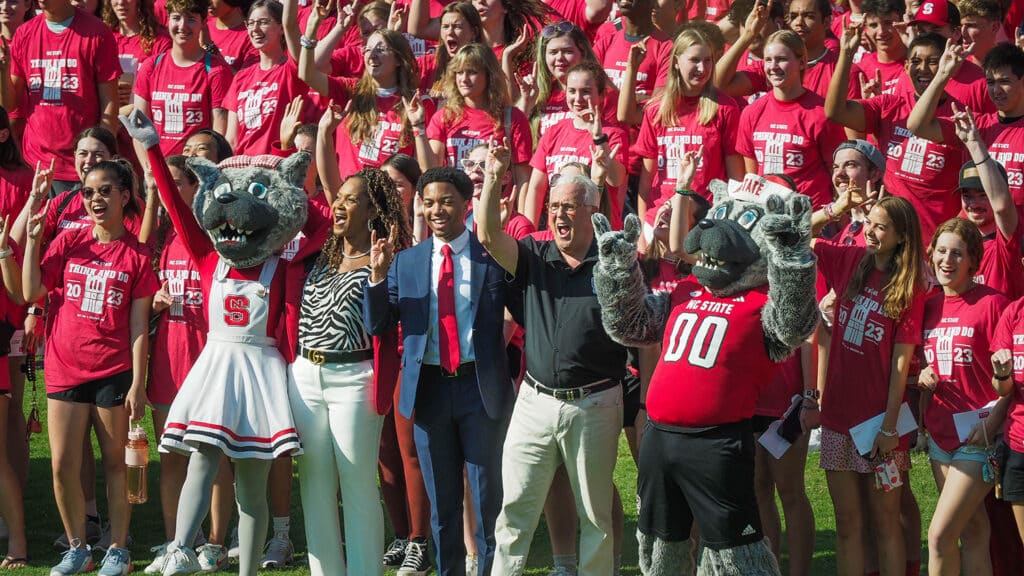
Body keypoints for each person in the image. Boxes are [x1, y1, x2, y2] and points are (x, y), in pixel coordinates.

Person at [1, 158, 157, 576]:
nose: (95, 199)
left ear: (126, 196)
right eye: (88, 192)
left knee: (115, 464)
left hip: (114, 372)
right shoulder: (69, 243)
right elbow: (31, 291)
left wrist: (138, 383)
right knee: (61, 464)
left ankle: (119, 549)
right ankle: (77, 548)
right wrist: (33, 239)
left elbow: (139, 324)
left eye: (105, 190)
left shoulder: (139, 255)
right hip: (64, 368)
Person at [479, 139, 627, 575]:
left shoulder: (614, 265)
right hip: (535, 401)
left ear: (591, 213)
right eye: (554, 207)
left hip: (596, 403)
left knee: (595, 517)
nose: (559, 215)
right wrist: (493, 176)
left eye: (570, 207)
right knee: (515, 511)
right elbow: (487, 234)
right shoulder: (535, 257)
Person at [364, 166, 514, 576]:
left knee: (486, 500)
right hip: (428, 391)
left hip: (479, 390)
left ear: (466, 204)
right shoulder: (406, 262)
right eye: (428, 202)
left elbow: (522, 311)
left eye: (446, 201)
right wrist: (377, 280)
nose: (437, 210)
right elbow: (378, 325)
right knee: (443, 504)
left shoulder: (491, 255)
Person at [289, 167, 410, 576]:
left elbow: (382, 327)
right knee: (315, 487)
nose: (339, 204)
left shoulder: (389, 258)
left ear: (372, 209)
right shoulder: (319, 250)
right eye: (338, 197)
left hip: (354, 380)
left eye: (351, 199)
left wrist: (377, 277)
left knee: (357, 486)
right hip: (305, 376)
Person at [814, 196, 927, 576]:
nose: (871, 233)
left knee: (885, 524)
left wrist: (889, 428)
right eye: (869, 224)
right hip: (837, 420)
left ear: (901, 237)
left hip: (879, 426)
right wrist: (836, 208)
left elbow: (900, 363)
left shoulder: (909, 287)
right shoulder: (850, 260)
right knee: (847, 524)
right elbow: (796, 235)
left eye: (881, 227)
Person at [920, 216, 1008, 576]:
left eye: (957, 253)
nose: (947, 260)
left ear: (973, 259)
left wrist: (993, 423)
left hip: (980, 436)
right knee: (973, 531)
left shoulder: (993, 304)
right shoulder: (929, 305)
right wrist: (921, 375)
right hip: (941, 433)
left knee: (939, 535)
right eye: (941, 251)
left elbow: (1011, 376)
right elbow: (919, 363)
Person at [825, 28, 965, 241]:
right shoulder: (889, 106)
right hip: (888, 241)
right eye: (916, 61)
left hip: (934, 244)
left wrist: (945, 241)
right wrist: (846, 54)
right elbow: (836, 111)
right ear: (906, 66)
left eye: (933, 61)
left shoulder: (959, 116)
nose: (923, 69)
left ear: (948, 65)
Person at [3, 0, 121, 195]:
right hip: (35, 164)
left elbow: (109, 102)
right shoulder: (24, 33)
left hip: (81, 166)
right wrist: (3, 72)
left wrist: (101, 158)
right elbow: (9, 104)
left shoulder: (97, 32)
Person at [300, 5, 428, 178]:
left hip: (391, 200)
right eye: (367, 50)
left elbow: (421, 167)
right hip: (351, 196)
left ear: (398, 59)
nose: (371, 55)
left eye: (380, 50)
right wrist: (311, 30)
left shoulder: (413, 105)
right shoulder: (352, 90)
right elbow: (307, 74)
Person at [635, 28, 743, 232]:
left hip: (705, 220)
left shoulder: (725, 108)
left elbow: (735, 178)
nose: (702, 68)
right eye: (694, 60)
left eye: (708, 60)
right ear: (676, 61)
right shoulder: (655, 110)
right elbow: (646, 179)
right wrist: (642, 228)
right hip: (658, 219)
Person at [736, 29, 846, 208]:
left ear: (802, 62)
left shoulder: (820, 113)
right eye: (768, 60)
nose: (773, 66)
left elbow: (835, 170)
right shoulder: (751, 112)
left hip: (810, 215)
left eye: (781, 59)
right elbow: (752, 174)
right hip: (767, 216)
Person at [909, 42, 1024, 205]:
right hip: (974, 227)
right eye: (990, 82)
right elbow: (917, 126)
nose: (996, 90)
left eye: (1004, 81)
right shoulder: (975, 125)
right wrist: (942, 75)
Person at [417, 43, 532, 196]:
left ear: (489, 75)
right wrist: (417, 125)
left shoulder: (513, 118)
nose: (463, 79)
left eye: (472, 72)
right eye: (459, 72)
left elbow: (523, 180)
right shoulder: (444, 117)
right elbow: (431, 171)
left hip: (495, 209)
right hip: (456, 210)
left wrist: (524, 218)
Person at [524, 61, 627, 228]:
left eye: (586, 92)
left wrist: (599, 139)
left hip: (598, 234)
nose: (578, 99)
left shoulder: (614, 134)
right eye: (572, 91)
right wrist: (528, 233)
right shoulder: (553, 132)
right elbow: (536, 189)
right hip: (559, 233)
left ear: (601, 95)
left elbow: (616, 180)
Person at [132, 0, 234, 164]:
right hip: (160, 169)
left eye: (191, 19)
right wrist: (150, 171)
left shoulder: (217, 70)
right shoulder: (151, 66)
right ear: (168, 20)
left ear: (203, 22)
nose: (182, 26)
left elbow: (219, 136)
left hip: (197, 173)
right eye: (176, 18)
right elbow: (139, 130)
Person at [224, 0, 315, 156]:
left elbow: (292, 26)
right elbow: (232, 140)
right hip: (243, 170)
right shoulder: (241, 77)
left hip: (278, 165)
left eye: (263, 22)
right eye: (251, 23)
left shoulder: (291, 70)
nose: (255, 29)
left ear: (281, 27)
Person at [206, 0, 259, 71]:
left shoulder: (253, 34)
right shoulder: (201, 23)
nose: (207, 1)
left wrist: (210, 48)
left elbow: (244, 80)